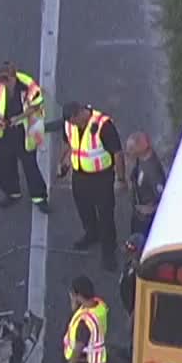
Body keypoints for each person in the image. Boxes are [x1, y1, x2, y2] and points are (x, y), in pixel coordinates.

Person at [57, 102, 126, 270]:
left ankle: (108, 251)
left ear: (80, 113)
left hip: (101, 178)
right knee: (84, 209)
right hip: (80, 175)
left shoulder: (103, 125)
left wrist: (121, 178)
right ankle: (91, 233)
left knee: (105, 214)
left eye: (75, 122)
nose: (73, 125)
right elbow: (68, 143)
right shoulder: (69, 124)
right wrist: (62, 163)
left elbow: (117, 153)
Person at [0, 62, 49, 212]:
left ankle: (39, 197)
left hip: (23, 131)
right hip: (2, 132)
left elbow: (37, 105)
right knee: (4, 164)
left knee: (29, 165)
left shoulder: (28, 85)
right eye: (1, 80)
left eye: (6, 80)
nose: (3, 83)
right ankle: (12, 192)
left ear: (14, 76)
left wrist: (18, 118)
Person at [124, 131, 167, 240]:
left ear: (141, 148)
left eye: (131, 148)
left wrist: (151, 208)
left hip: (146, 219)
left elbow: (163, 198)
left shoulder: (152, 170)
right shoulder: (140, 160)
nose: (128, 151)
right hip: (138, 212)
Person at [117, 232, 145, 356]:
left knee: (135, 334)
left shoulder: (139, 274)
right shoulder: (129, 264)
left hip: (134, 310)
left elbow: (139, 298)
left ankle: (132, 357)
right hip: (128, 304)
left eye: (131, 250)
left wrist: (132, 317)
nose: (127, 253)